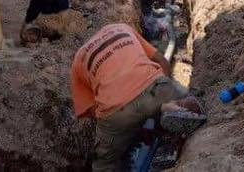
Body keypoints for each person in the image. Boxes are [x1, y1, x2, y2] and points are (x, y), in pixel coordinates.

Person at [72, 23, 205, 170]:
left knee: (104, 163)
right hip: (155, 87)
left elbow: (90, 110)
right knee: (192, 100)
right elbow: (161, 60)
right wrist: (160, 95)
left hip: (116, 111)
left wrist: (128, 127)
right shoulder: (121, 28)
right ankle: (171, 108)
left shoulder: (79, 58)